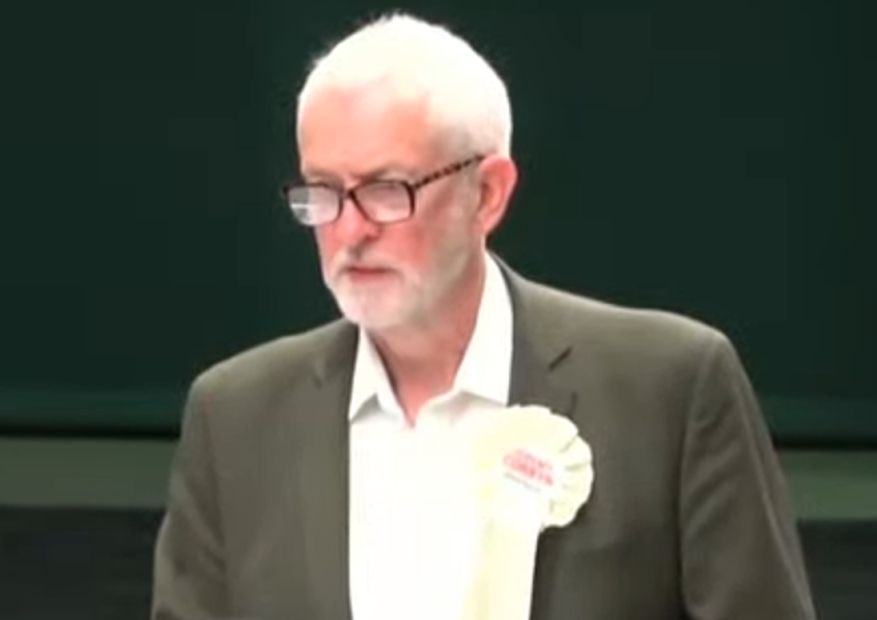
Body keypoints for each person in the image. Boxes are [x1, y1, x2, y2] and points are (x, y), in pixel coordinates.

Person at [150, 11, 817, 620]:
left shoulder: (669, 387)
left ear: (488, 193)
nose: (348, 231)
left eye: (385, 190)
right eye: (321, 192)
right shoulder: (234, 416)